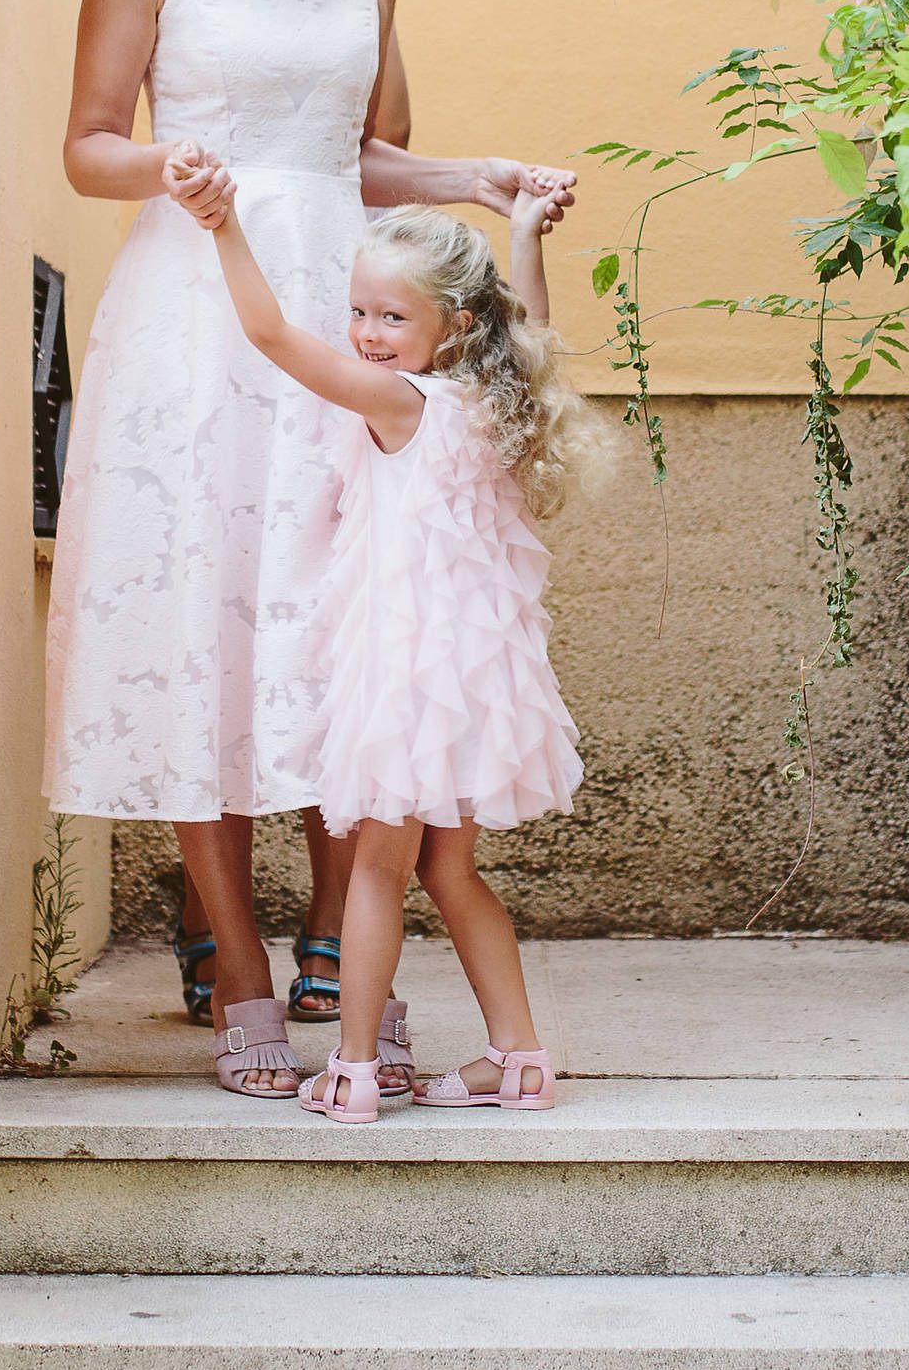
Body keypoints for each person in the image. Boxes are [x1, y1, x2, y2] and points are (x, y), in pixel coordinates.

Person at [45, 0, 575, 1099]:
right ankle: (238, 968)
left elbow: (364, 164)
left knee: (354, 628)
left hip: (344, 331)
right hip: (196, 320)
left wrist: (486, 180)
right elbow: (93, 143)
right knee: (208, 623)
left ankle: (348, 965)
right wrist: (184, 174)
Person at [172, 171, 594, 1124]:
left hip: (405, 677)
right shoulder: (498, 397)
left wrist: (226, 225)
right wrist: (524, 231)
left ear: (450, 326)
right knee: (452, 872)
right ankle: (519, 1058)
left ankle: (354, 1068)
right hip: (476, 681)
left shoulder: (403, 404)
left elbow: (274, 337)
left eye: (391, 317)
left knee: (376, 868)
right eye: (358, 310)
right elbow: (527, 320)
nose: (366, 332)